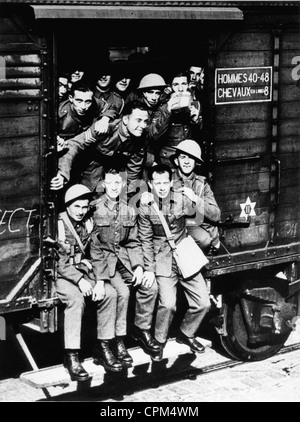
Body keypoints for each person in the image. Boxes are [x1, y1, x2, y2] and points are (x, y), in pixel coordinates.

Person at [138, 164, 211, 361]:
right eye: (157, 183)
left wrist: (195, 198)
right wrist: (149, 269)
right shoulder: (145, 205)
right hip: (161, 258)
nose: (161, 187)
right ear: (150, 184)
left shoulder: (181, 199)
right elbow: (145, 240)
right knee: (168, 304)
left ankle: (186, 333)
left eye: (165, 183)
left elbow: (204, 219)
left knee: (203, 302)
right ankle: (159, 341)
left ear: (171, 182)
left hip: (184, 254)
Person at [91, 167, 160, 362]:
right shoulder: (94, 207)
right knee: (124, 292)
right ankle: (118, 340)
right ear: (103, 184)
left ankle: (141, 328)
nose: (113, 187)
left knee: (150, 286)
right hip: (104, 261)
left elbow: (133, 241)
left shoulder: (129, 208)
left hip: (124, 258)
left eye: (117, 183)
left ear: (122, 185)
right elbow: (93, 245)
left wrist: (139, 266)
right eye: (110, 183)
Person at [56, 184, 123, 380]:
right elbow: (59, 262)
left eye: (84, 207)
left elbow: (97, 253)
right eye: (76, 207)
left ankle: (103, 346)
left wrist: (101, 281)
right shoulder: (58, 224)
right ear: (68, 206)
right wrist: (79, 281)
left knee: (110, 293)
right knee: (76, 300)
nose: (81, 211)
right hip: (63, 275)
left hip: (83, 271)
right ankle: (72, 356)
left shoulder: (87, 223)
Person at [50, 101, 149, 196]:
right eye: (138, 120)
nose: (143, 126)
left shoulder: (140, 138)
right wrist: (63, 173)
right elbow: (73, 145)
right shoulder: (105, 128)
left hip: (115, 173)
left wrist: (127, 195)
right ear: (126, 120)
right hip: (90, 169)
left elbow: (133, 169)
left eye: (145, 121)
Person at [170, 139, 221, 252]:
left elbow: (216, 215)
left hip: (189, 225)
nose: (187, 162)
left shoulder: (201, 184)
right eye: (183, 157)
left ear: (196, 162)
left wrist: (194, 199)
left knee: (204, 239)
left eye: (191, 157)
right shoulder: (168, 179)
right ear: (177, 161)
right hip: (171, 226)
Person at [155, 71, 202, 167]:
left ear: (188, 85)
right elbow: (154, 136)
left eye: (184, 84)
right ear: (170, 87)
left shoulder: (196, 105)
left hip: (189, 158)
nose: (180, 89)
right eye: (176, 85)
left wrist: (195, 121)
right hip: (168, 160)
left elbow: (202, 136)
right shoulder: (163, 106)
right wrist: (168, 111)